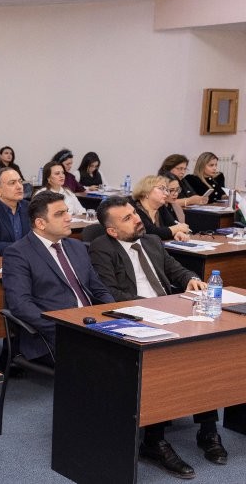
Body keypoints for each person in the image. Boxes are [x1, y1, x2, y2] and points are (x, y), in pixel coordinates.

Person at [89, 196, 225, 479]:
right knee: (165, 362)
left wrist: (190, 279)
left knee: (206, 354)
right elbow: (110, 294)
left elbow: (177, 270)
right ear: (112, 231)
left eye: (134, 213)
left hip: (167, 313)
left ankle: (208, 430)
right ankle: (154, 440)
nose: (137, 219)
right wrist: (156, 307)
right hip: (134, 319)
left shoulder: (151, 240)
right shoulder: (102, 248)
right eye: (127, 218)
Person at [2, 191, 113, 365]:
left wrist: (112, 316)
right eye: (60, 214)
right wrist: (64, 328)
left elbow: (99, 289)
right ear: (40, 223)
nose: (69, 218)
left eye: (67, 211)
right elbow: (21, 305)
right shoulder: (18, 253)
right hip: (55, 334)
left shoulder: (77, 246)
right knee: (111, 360)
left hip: (93, 324)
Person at [132, 175, 190, 241]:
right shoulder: (134, 209)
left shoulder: (161, 207)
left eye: (166, 190)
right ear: (146, 192)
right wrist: (177, 229)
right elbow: (150, 232)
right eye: (161, 188)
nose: (167, 193)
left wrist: (178, 233)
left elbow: (172, 225)